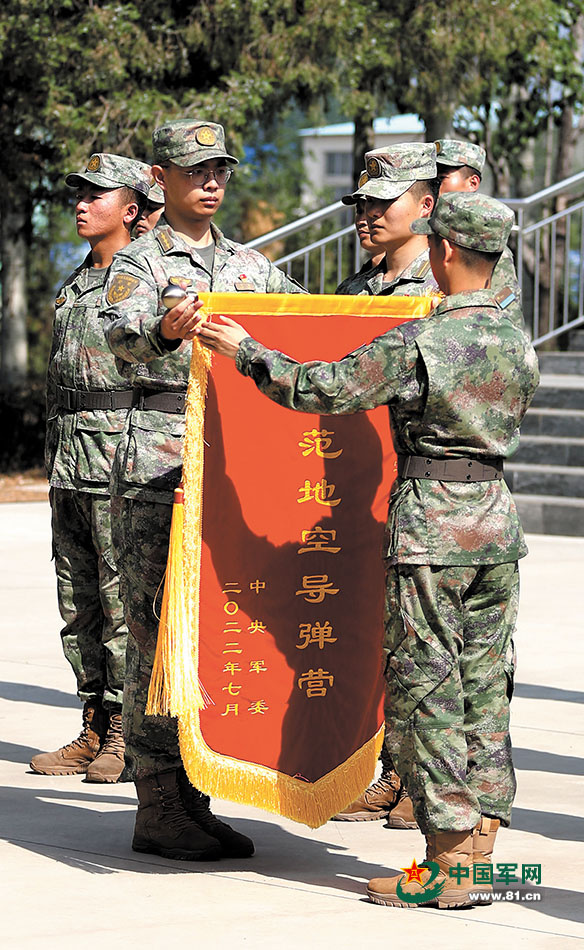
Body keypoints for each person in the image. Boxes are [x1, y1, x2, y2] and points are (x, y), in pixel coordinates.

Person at [192, 191, 539, 909]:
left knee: (429, 692)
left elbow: (321, 388)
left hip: (433, 533)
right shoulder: (516, 338)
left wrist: (246, 351)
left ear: (444, 252)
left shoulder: (424, 340)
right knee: (485, 689)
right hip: (496, 529)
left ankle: (445, 866)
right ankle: (480, 854)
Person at [102, 118, 305, 862]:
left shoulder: (252, 266)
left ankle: (197, 790)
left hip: (237, 469)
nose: (211, 181)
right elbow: (116, 340)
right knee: (157, 632)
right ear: (161, 178)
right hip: (162, 466)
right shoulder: (141, 263)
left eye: (219, 169)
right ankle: (157, 801)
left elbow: (300, 328)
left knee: (212, 633)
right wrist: (162, 330)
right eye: (194, 171)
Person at [30, 154, 150, 783]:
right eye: (78, 193)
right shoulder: (75, 283)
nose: (81, 203)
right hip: (70, 457)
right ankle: (93, 722)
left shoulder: (143, 281)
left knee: (120, 598)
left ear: (131, 210)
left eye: (97, 195)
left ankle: (127, 730)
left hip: (121, 456)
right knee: (77, 599)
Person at [333, 142, 439, 825]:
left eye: (383, 204)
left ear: (424, 206)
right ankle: (384, 765)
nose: (368, 217)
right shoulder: (354, 293)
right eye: (362, 206)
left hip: (427, 485)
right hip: (363, 482)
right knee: (376, 632)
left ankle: (418, 776)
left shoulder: (449, 286)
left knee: (425, 640)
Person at [435, 139, 522, 326]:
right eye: (431, 179)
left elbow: (508, 313)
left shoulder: (490, 248)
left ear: (472, 183)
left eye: (441, 178)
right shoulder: (419, 234)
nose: (434, 185)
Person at [334, 142, 438, 297]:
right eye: (370, 200)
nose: (372, 211)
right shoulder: (352, 290)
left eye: (387, 199)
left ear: (425, 205)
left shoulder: (445, 286)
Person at [336, 190, 384, 294]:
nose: (361, 221)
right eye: (359, 211)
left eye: (372, 209)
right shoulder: (347, 288)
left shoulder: (427, 282)